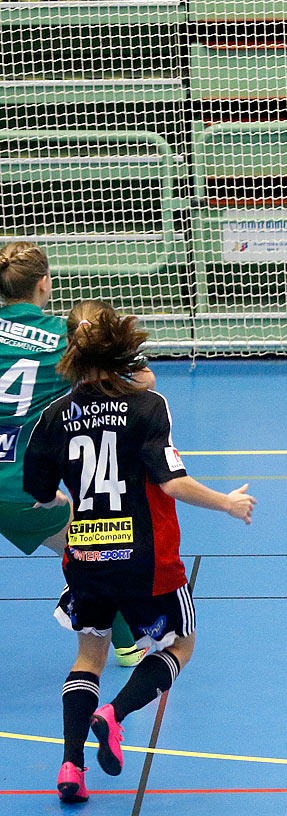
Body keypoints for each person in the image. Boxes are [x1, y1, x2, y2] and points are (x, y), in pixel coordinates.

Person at [22, 300, 255, 803]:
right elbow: (171, 483)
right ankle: (116, 714)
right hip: (146, 558)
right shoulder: (150, 407)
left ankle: (70, 766)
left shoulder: (52, 418)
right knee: (181, 646)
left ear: (70, 349)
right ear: (121, 343)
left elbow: (38, 493)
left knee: (88, 657)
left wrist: (62, 497)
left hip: (85, 554)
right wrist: (227, 503)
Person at [0, 242, 147, 666]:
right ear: (44, 283)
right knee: (96, 549)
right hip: (19, 491)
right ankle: (126, 645)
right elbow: (126, 382)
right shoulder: (60, 341)